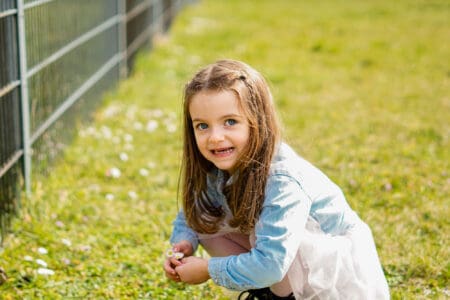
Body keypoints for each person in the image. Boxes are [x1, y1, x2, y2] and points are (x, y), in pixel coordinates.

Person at [163, 59, 390, 299]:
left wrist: (208, 269)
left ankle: (284, 295)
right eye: (202, 126)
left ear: (257, 121)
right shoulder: (219, 166)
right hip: (283, 267)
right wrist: (184, 243)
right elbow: (194, 212)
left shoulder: (283, 178)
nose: (216, 137)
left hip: (339, 280)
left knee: (264, 240)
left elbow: (272, 264)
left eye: (230, 122)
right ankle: (271, 293)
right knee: (208, 220)